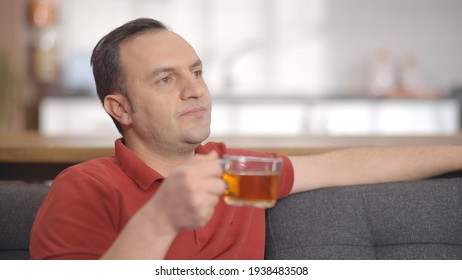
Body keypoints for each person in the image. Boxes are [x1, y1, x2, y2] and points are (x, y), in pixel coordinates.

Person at [30, 18, 462, 260]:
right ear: (120, 109)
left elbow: (342, 165)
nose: (194, 89)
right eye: (165, 79)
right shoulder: (84, 188)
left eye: (196, 72)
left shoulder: (235, 171)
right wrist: (160, 219)